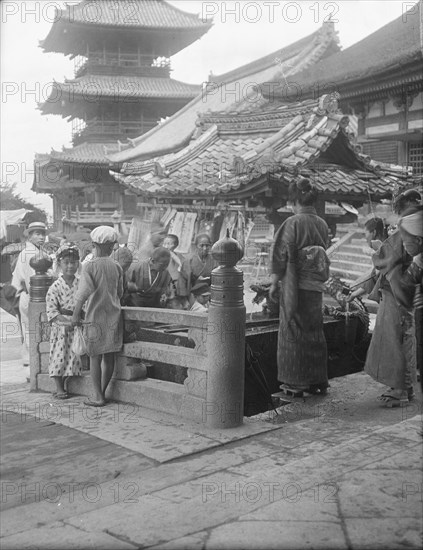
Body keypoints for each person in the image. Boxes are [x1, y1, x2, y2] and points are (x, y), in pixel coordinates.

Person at [269, 178, 330, 396]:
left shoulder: (293, 222)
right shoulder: (322, 224)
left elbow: (281, 254)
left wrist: (274, 282)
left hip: (295, 284)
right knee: (314, 329)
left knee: (293, 328)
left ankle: (296, 381)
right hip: (315, 287)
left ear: (295, 201)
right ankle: (317, 379)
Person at [362, 191, 421, 407]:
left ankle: (400, 388)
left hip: (399, 292)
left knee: (396, 339)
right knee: (402, 338)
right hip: (403, 290)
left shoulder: (408, 227)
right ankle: (405, 386)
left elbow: (390, 256)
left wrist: (380, 249)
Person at [71, 226, 123, 407]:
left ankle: (98, 395)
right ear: (111, 245)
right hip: (114, 315)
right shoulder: (116, 266)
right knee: (109, 357)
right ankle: (103, 392)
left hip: (95, 316)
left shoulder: (89, 266)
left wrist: (76, 314)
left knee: (95, 357)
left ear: (94, 244)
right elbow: (120, 292)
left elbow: (83, 293)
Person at [46, 243, 83, 399]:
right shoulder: (55, 286)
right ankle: (59, 387)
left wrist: (80, 318)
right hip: (61, 326)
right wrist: (66, 322)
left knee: (75, 354)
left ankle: (68, 382)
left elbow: (86, 302)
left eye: (73, 262)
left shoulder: (81, 283)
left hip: (77, 323)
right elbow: (52, 311)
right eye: (66, 262)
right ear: (59, 264)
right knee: (59, 355)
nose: (70, 266)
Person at [11, 222, 49, 369]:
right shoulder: (30, 253)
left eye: (43, 234)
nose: (41, 237)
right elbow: (31, 279)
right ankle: (32, 361)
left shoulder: (34, 251)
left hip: (28, 294)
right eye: (37, 234)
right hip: (30, 294)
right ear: (30, 236)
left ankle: (30, 359)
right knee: (31, 328)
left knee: (30, 328)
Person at [348, 217, 389, 301]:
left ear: (374, 232)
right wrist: (354, 291)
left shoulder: (385, 251)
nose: (365, 238)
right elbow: (373, 276)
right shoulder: (383, 249)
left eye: (365, 234)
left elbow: (376, 276)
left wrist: (354, 293)